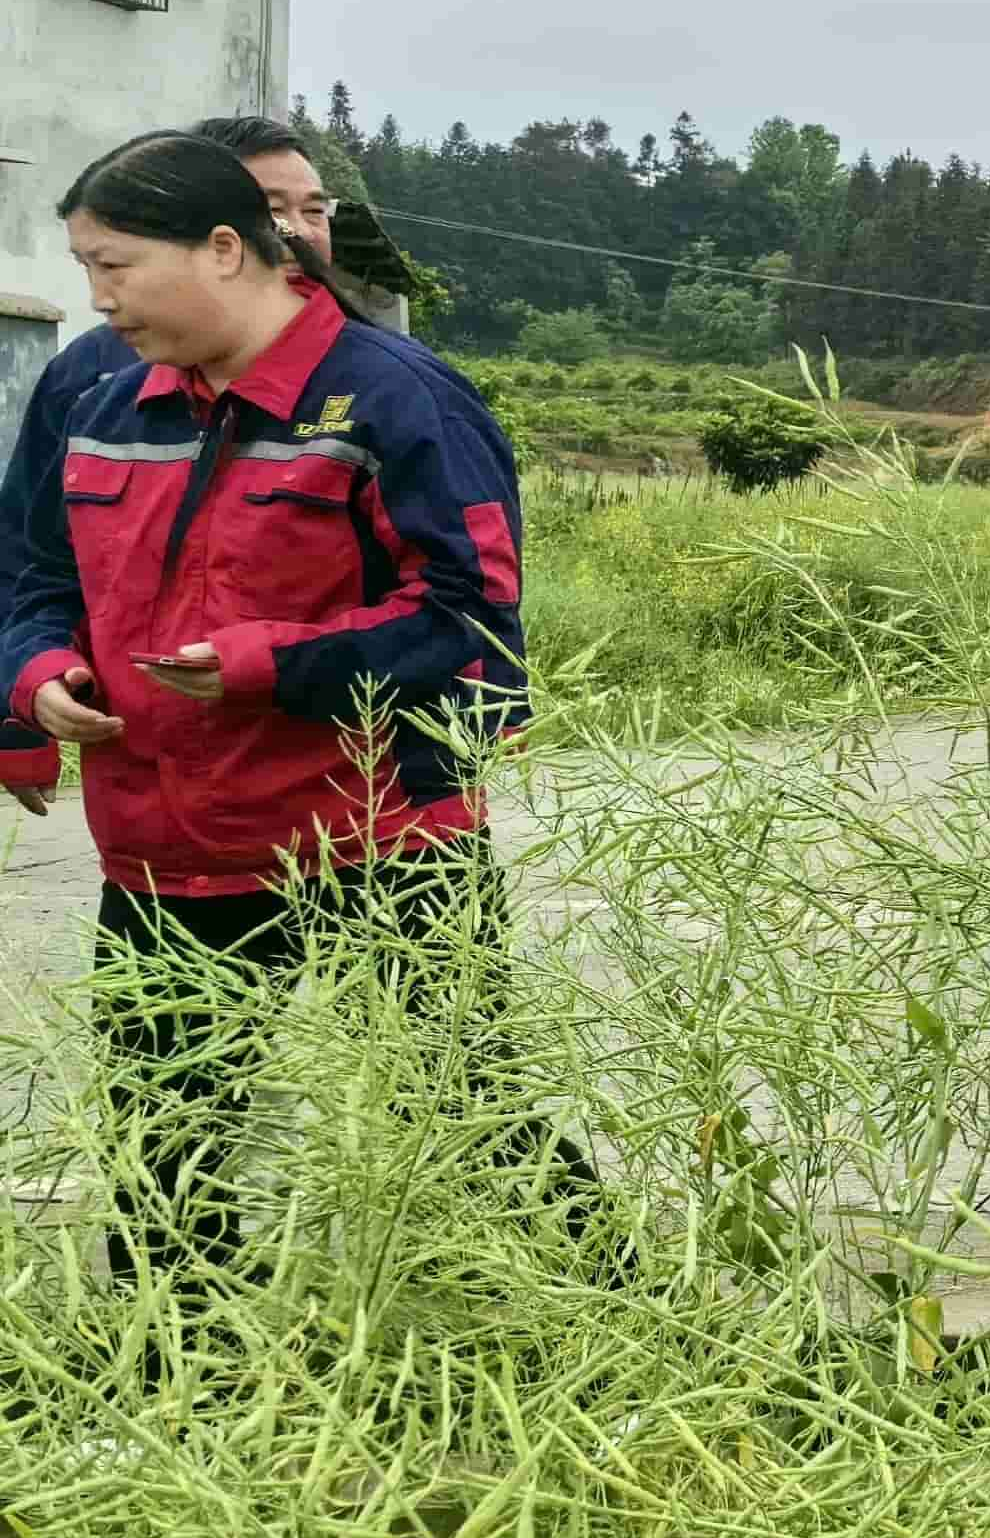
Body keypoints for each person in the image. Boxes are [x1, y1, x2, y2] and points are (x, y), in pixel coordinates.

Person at [0, 129, 605, 1305]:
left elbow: (472, 619)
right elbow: (31, 572)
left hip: (375, 840)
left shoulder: (396, 398)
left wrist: (267, 664)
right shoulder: (100, 391)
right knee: (164, 1155)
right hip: (166, 847)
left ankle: (622, 1328)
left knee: (462, 1109)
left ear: (225, 249)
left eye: (116, 264)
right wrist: (34, 681)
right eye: (84, 267)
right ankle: (187, 1403)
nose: (98, 297)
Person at [4, 116, 344, 818]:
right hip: (153, 803)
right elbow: (33, 558)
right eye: (271, 208)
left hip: (339, 802)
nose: (297, 231)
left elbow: (458, 587)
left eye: (313, 210)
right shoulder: (93, 380)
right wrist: (16, 711)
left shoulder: (377, 380)